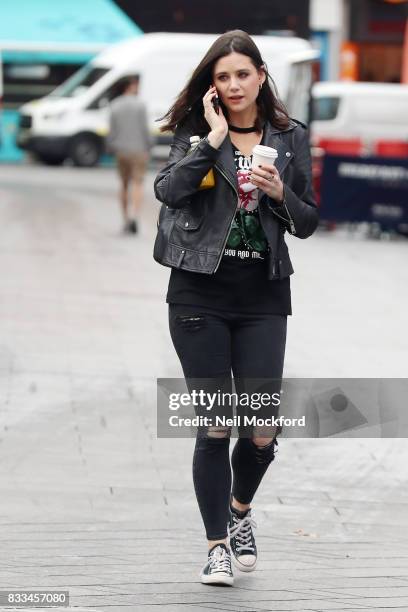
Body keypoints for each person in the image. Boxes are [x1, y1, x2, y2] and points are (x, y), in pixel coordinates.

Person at [153, 30, 318, 586]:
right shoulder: (196, 133)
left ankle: (240, 511)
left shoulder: (290, 138)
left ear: (261, 75)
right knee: (216, 425)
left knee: (262, 430)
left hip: (263, 297)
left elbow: (311, 220)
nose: (233, 85)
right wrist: (211, 141)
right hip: (199, 293)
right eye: (222, 77)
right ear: (212, 85)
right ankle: (216, 546)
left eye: (242, 74)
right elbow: (169, 191)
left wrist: (279, 194)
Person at [108, 75, 151, 234]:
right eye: (136, 85)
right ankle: (135, 216)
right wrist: (149, 146)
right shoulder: (140, 105)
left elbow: (111, 131)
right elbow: (145, 129)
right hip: (139, 150)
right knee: (138, 183)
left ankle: (125, 218)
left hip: (121, 151)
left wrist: (111, 147)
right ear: (130, 86)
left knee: (124, 184)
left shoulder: (114, 105)